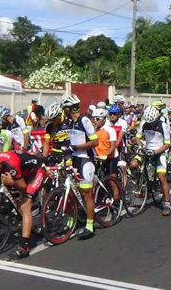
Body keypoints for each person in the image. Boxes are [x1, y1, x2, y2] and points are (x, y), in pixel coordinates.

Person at [0, 151, 46, 259]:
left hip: (36, 170)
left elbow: (22, 186)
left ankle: (24, 247)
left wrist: (12, 183)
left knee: (25, 206)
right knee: (13, 193)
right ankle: (28, 224)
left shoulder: (10, 164)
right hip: (22, 172)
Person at [60, 94, 98, 239]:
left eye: (65, 108)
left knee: (86, 192)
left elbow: (95, 142)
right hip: (73, 159)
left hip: (85, 159)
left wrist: (75, 147)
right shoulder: (68, 122)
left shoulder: (85, 120)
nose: (63, 111)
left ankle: (89, 225)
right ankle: (71, 222)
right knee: (69, 191)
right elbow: (66, 142)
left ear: (69, 108)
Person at [131, 105, 171, 216]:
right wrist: (142, 147)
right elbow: (137, 138)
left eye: (152, 122)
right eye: (148, 122)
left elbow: (168, 144)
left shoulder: (163, 125)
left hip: (159, 152)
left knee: (162, 177)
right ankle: (140, 187)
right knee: (133, 164)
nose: (150, 124)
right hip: (146, 150)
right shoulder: (144, 124)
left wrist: (155, 152)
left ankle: (167, 204)